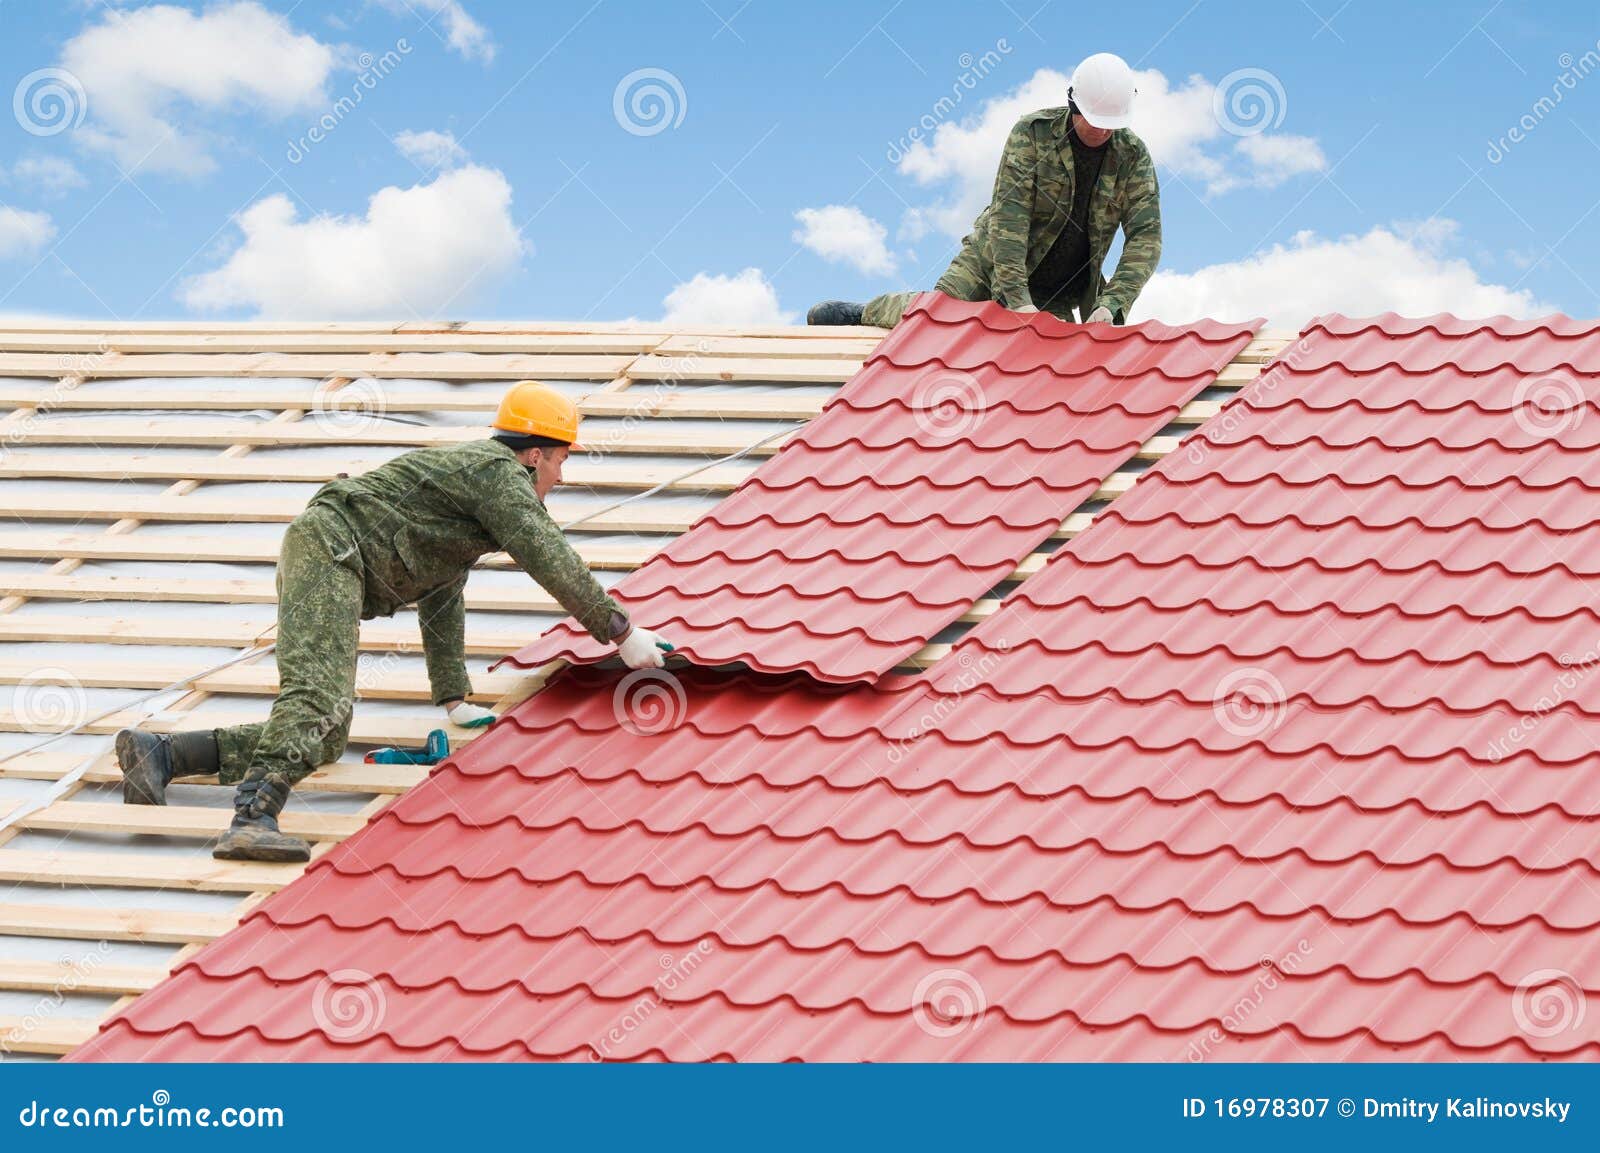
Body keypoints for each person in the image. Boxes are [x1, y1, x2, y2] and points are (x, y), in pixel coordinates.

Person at [113, 382, 672, 863]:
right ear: (534, 455)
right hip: (331, 547)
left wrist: (452, 696)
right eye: (561, 459)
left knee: (327, 738)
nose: (561, 475)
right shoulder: (497, 476)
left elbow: (444, 587)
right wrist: (621, 632)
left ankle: (162, 754)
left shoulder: (469, 501)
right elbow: (549, 556)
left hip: (332, 555)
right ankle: (252, 821)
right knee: (318, 699)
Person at [809, 52, 1161, 329]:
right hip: (991, 260)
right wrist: (1017, 300)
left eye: (1110, 125)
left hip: (1058, 287)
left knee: (1047, 359)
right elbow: (1011, 219)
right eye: (1095, 121)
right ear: (1074, 105)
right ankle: (864, 312)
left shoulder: (1132, 156)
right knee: (937, 320)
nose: (1102, 131)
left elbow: (1145, 238)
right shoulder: (1032, 135)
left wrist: (1112, 302)